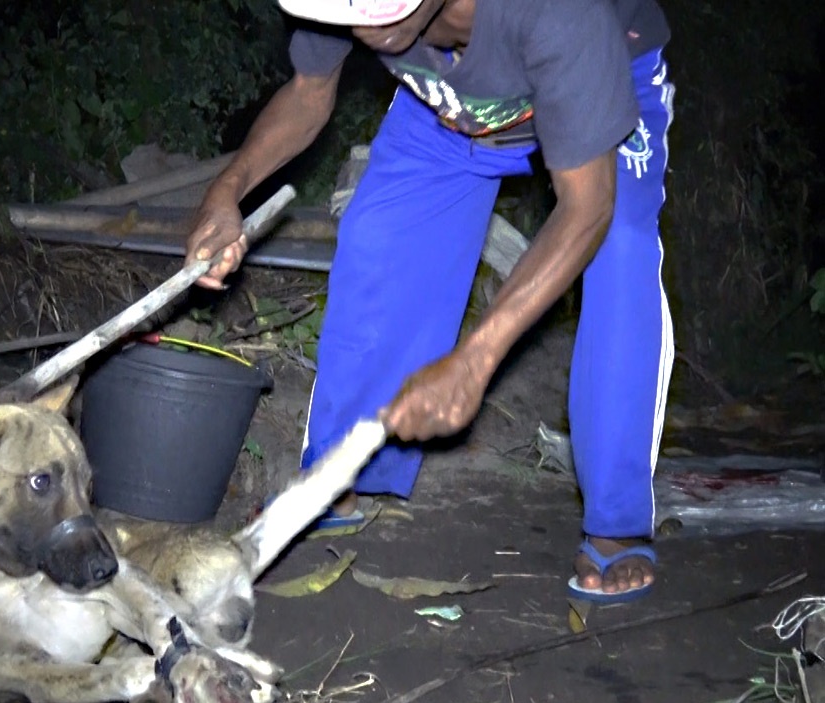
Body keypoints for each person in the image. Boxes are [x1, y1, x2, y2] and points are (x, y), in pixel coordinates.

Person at [185, 0, 674, 603]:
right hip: (454, 103)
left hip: (603, 83)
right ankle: (344, 470)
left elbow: (588, 207)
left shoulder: (556, 11)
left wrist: (477, 358)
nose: (364, 24)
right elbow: (309, 94)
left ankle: (617, 520)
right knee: (379, 233)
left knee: (620, 246)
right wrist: (226, 191)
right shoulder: (339, 7)